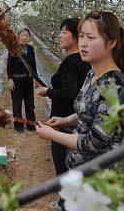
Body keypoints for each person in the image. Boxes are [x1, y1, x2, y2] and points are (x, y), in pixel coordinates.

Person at [35, 11, 124, 172]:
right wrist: (66, 120)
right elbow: (90, 110)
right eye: (81, 36)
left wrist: (52, 134)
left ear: (111, 43)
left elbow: (95, 143)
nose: (83, 43)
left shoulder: (114, 88)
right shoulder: (92, 74)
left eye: (91, 37)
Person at [35, 18, 91, 177]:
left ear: (76, 37)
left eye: (64, 32)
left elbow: (68, 94)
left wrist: (47, 92)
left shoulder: (70, 63)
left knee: (63, 167)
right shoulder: (86, 61)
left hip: (65, 121)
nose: (59, 36)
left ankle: (64, 201)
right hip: (79, 122)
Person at [7, 28, 38, 132]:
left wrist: (36, 79)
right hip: (17, 80)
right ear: (18, 37)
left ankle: (31, 124)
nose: (25, 37)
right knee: (17, 103)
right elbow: (9, 66)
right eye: (23, 35)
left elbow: (33, 65)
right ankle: (18, 124)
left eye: (27, 35)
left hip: (28, 80)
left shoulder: (30, 49)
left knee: (30, 103)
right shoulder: (13, 49)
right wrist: (10, 79)